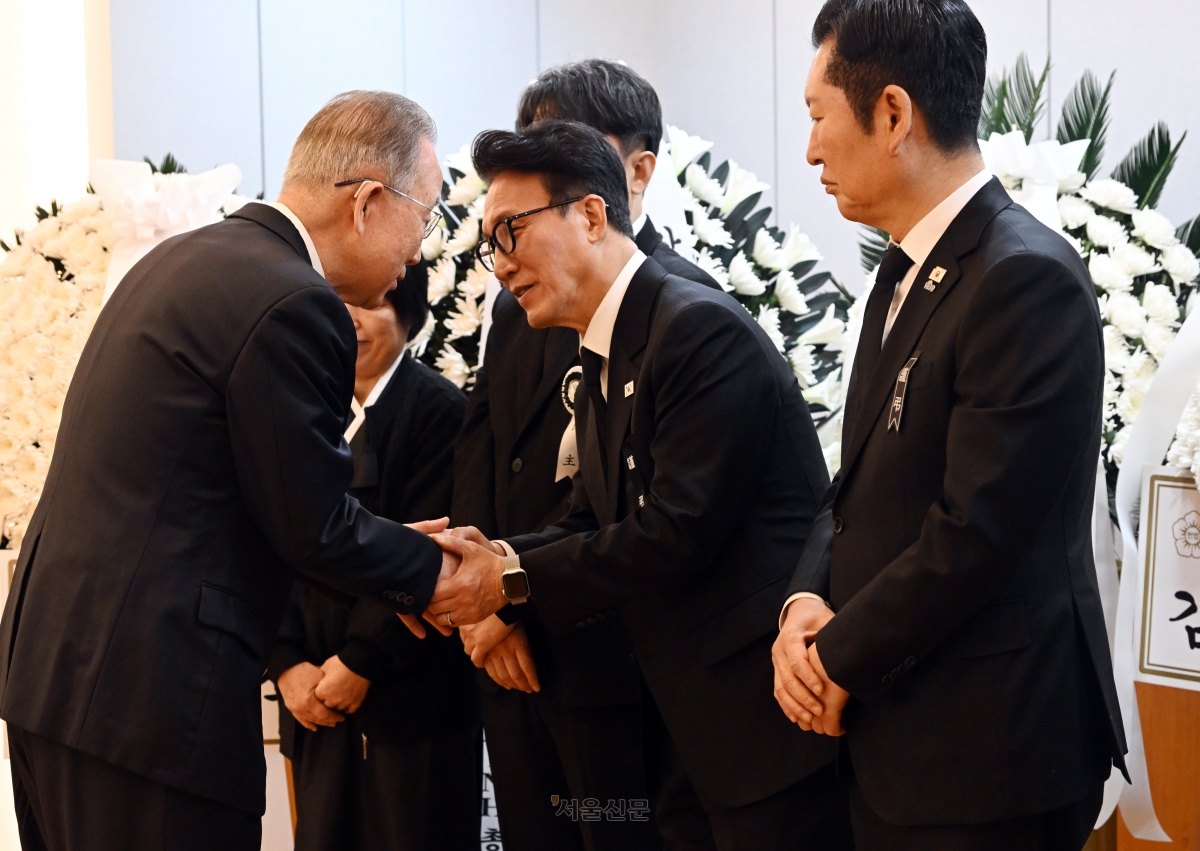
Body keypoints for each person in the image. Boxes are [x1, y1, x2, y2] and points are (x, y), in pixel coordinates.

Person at [0, 91, 455, 851]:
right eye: (428, 214)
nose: (423, 249)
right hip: (150, 704)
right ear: (369, 202)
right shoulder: (293, 300)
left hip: (58, 683)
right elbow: (310, 522)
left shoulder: (187, 257)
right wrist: (436, 571)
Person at [428, 120, 852, 851]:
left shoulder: (693, 328)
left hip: (760, 729)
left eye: (511, 233)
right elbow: (594, 516)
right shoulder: (605, 343)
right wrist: (485, 553)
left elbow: (674, 530)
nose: (498, 263)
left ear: (591, 214)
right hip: (684, 727)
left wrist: (510, 579)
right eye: (488, 241)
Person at [769, 2, 1128, 848]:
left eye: (819, 117)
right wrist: (804, 599)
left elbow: (977, 534)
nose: (811, 149)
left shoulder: (1022, 276)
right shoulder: (904, 269)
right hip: (898, 737)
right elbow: (852, 484)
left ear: (892, 114)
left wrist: (834, 657)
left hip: (988, 755)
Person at [452, 59, 718, 851]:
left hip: (614, 657)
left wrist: (509, 581)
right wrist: (490, 599)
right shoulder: (517, 305)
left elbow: (668, 520)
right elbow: (483, 443)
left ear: (628, 175)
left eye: (563, 147)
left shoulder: (676, 308)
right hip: (509, 645)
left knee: (616, 832)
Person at [270, 269, 480, 851]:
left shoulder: (441, 412)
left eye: (375, 303)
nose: (354, 320)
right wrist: (287, 664)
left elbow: (434, 551)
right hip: (312, 697)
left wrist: (360, 661)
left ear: (409, 315)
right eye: (339, 303)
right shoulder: (298, 411)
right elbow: (268, 539)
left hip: (413, 700)